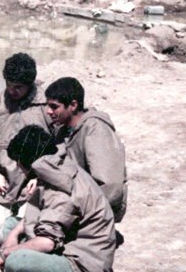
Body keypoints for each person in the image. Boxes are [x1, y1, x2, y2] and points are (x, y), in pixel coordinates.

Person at [0, 125, 117, 272]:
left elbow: (47, 243)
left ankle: (30, 271)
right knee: (11, 225)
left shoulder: (60, 188)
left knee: (16, 262)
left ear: (25, 162)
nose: (19, 169)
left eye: (19, 164)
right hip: (69, 240)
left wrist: (6, 253)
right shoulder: (57, 166)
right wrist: (13, 235)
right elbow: (41, 214)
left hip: (84, 263)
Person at [0, 53, 53, 232]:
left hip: (36, 186)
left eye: (18, 87)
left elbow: (60, 147)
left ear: (31, 83)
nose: (12, 91)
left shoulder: (47, 106)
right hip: (3, 189)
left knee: (29, 224)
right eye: (8, 85)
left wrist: (41, 177)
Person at [45, 77, 127, 225]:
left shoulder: (95, 130)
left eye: (54, 106)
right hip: (77, 201)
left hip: (95, 212)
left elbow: (110, 185)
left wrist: (77, 212)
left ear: (73, 105)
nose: (48, 111)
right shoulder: (63, 131)